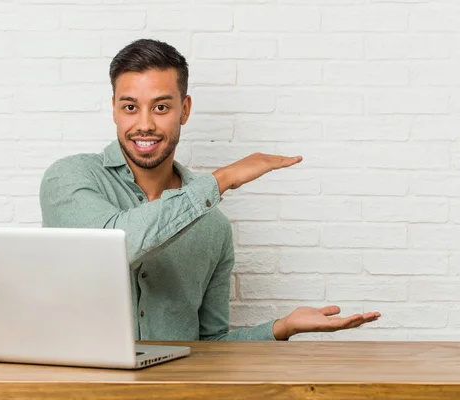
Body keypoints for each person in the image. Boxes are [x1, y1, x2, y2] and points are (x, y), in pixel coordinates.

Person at [39, 39, 380, 341]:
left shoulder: (213, 228)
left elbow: (210, 346)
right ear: (114, 109)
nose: (144, 124)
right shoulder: (70, 179)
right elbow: (113, 247)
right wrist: (222, 179)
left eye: (161, 107)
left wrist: (281, 328)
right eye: (130, 107)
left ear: (184, 111)